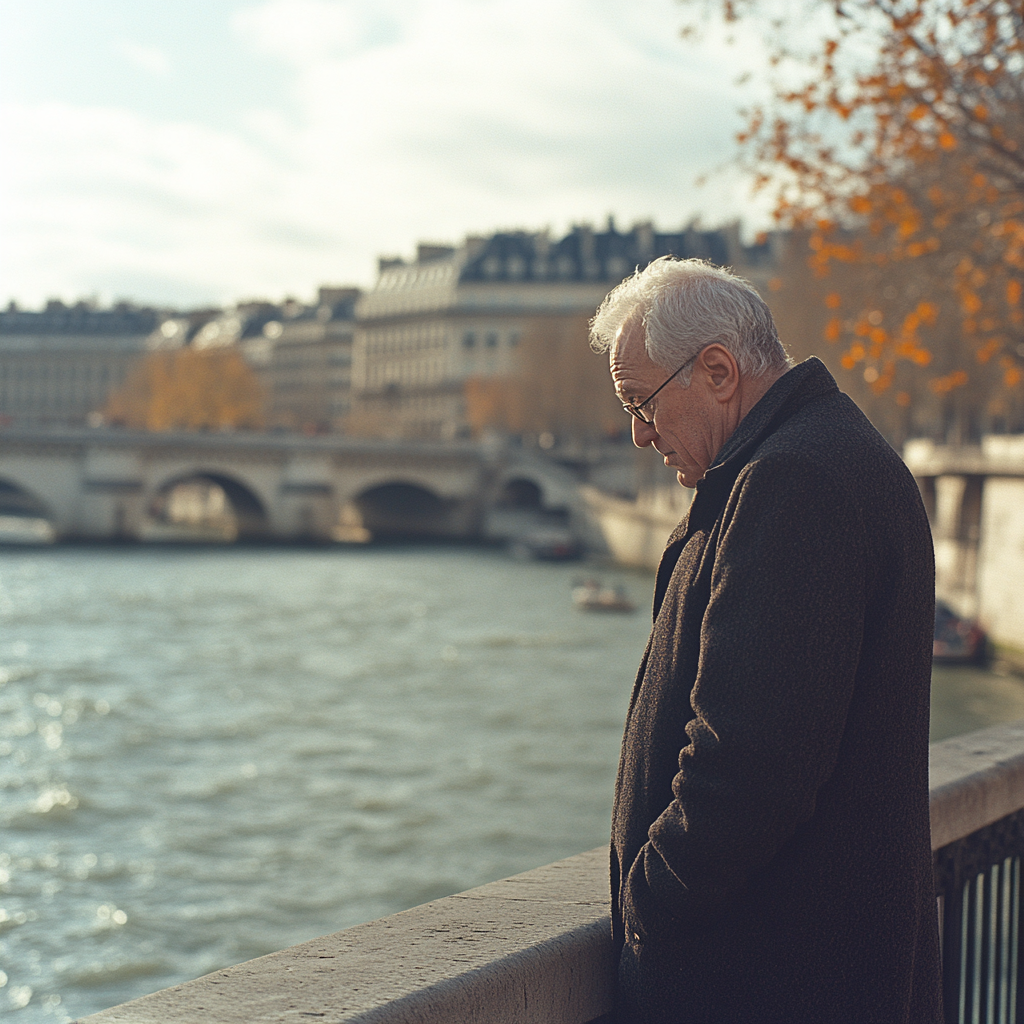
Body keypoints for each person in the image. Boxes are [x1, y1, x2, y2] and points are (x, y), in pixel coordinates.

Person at [589, 258, 941, 1024]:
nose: (639, 434)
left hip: (766, 981)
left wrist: (650, 904)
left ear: (717, 370)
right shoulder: (816, 457)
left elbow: (751, 764)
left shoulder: (794, 482)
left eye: (641, 401)